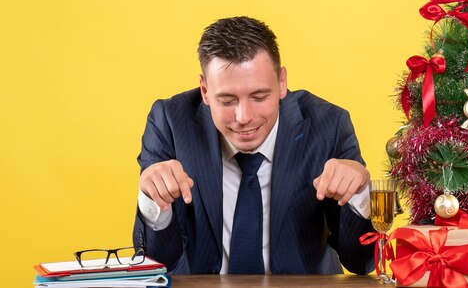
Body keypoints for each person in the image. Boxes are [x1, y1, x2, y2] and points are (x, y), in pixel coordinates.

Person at [133, 16, 375, 275]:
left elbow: (360, 262)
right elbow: (156, 264)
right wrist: (154, 203)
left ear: (282, 82)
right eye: (227, 100)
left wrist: (359, 194)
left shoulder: (329, 125)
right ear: (204, 90)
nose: (244, 117)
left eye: (259, 97)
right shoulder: (169, 122)